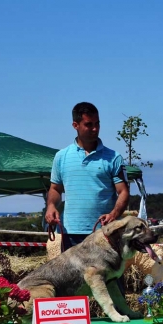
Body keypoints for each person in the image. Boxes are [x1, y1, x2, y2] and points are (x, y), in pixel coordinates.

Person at [45, 102, 130, 248]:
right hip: (70, 232)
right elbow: (55, 189)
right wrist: (51, 206)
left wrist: (114, 215)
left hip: (105, 232)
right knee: (72, 272)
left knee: (107, 272)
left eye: (97, 123)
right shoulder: (61, 157)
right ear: (75, 125)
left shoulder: (114, 158)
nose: (95, 129)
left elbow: (123, 192)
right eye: (89, 124)